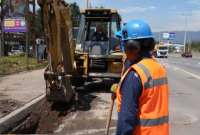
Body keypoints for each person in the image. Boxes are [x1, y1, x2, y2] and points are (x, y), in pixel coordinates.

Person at [114, 20, 169, 135]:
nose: (123, 50)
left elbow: (126, 120)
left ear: (133, 47)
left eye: (124, 45)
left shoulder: (135, 75)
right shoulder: (158, 67)